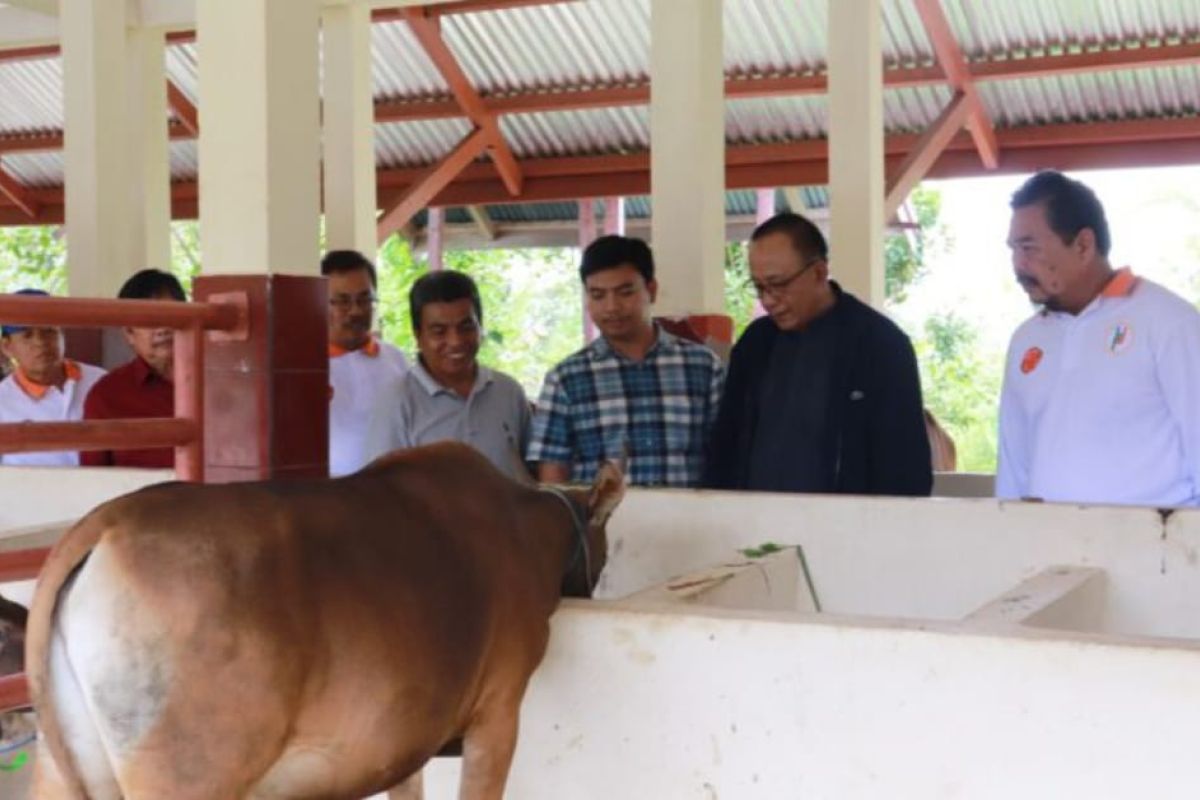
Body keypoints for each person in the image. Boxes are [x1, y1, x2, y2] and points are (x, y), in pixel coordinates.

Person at [997, 170, 1200, 506]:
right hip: (1047, 551)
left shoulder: (1168, 322)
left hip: (1154, 549)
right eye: (1013, 249)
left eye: (1029, 247)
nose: (1018, 264)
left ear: (1083, 245)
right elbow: (1013, 469)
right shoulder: (1026, 341)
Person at [705, 212, 931, 495]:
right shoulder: (755, 344)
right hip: (757, 529)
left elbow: (906, 469)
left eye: (779, 285)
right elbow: (726, 448)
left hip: (847, 530)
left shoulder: (879, 345)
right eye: (759, 287)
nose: (768, 300)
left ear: (819, 272)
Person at [528, 235, 725, 487]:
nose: (611, 307)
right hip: (603, 525)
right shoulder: (566, 378)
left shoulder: (703, 367)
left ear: (651, 290)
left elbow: (723, 456)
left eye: (625, 292)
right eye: (598, 295)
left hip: (691, 523)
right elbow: (552, 474)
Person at [366, 270, 531, 480]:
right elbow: (379, 489)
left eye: (466, 327)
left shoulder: (509, 392)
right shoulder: (396, 402)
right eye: (439, 331)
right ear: (418, 335)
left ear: (480, 327)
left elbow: (534, 477)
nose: (455, 341)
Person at [82, 270, 186, 468]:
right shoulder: (106, 395)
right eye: (149, 320)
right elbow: (92, 478)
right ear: (129, 333)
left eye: (169, 314)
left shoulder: (222, 381)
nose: (162, 329)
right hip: (141, 499)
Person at [323, 249, 410, 477]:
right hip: (328, 498)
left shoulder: (397, 360)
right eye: (342, 301)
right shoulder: (303, 367)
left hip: (393, 494)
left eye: (364, 299)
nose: (356, 311)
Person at [0, 289, 106, 466]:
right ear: (7, 347)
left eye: (49, 331)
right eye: (27, 336)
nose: (40, 343)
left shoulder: (100, 381)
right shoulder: (3, 400)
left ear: (61, 334)